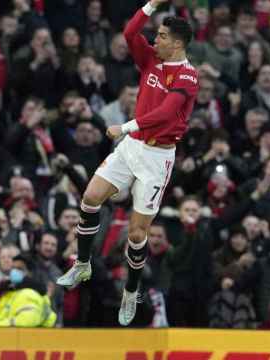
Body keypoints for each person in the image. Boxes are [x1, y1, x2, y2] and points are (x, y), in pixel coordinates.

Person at [56, 0, 199, 326]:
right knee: (90, 198)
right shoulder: (151, 59)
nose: (155, 39)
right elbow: (129, 31)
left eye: (162, 36)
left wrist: (126, 126)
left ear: (177, 43)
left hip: (157, 155)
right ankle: (82, 263)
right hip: (131, 148)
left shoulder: (189, 77)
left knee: (136, 235)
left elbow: (166, 113)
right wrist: (150, 5)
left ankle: (131, 291)